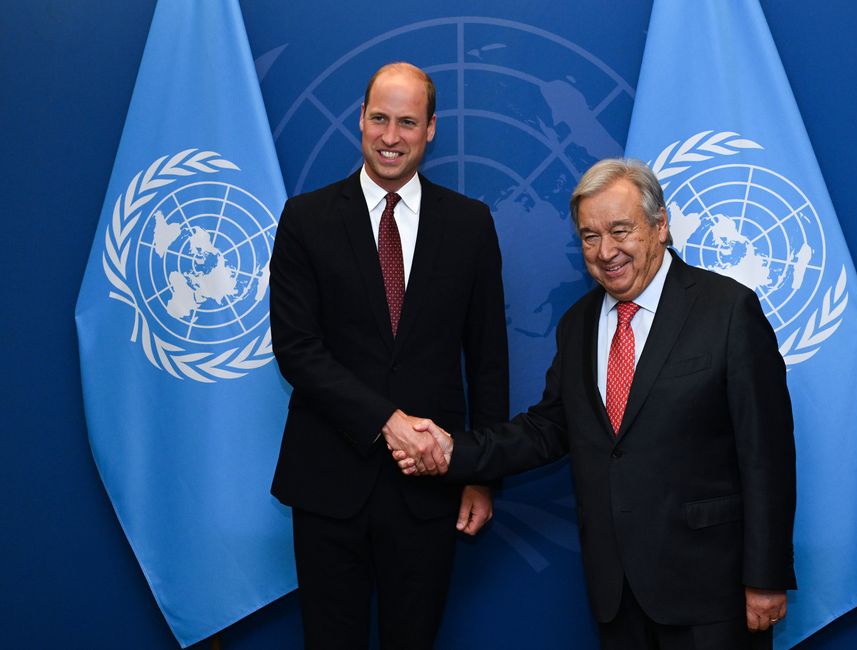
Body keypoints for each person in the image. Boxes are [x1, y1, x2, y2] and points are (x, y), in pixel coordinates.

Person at [397, 159, 796, 650]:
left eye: (620, 230)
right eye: (589, 236)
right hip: (616, 595)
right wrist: (453, 451)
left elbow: (766, 456)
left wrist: (765, 576)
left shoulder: (728, 310)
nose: (606, 252)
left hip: (712, 594)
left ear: (660, 225)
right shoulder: (578, 324)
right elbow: (548, 429)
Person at [269, 62, 508, 649]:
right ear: (360, 120)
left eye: (407, 121)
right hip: (328, 483)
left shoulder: (470, 224)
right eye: (379, 118)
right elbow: (298, 351)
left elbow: (488, 359)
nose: (390, 136)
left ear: (430, 129)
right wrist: (388, 422)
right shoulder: (305, 219)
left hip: (430, 489)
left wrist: (482, 477)